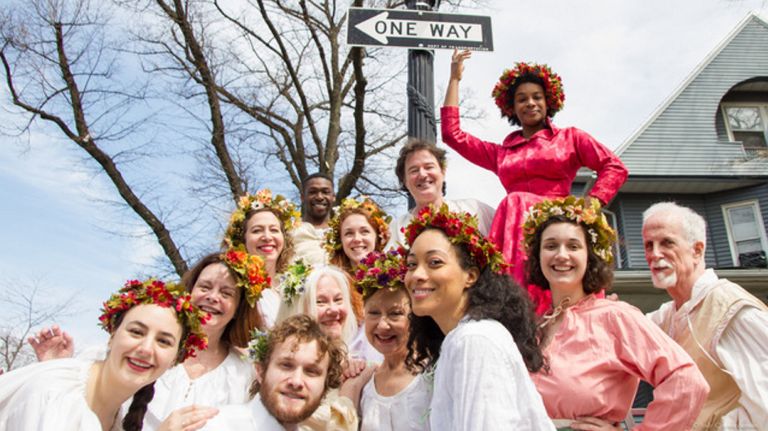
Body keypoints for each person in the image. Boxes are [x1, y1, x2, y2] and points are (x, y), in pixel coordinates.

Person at [441, 50, 628, 313]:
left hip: (557, 227)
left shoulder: (571, 138)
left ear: (548, 101)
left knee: (518, 203)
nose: (530, 103)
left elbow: (614, 166)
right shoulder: (501, 153)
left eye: (536, 97)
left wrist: (592, 203)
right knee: (514, 201)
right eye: (522, 99)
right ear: (512, 107)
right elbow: (453, 135)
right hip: (514, 231)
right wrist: (454, 79)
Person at [523, 197, 709, 430]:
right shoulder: (534, 327)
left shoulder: (615, 317)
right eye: (550, 246)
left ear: (589, 256)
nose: (561, 255)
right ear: (538, 256)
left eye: (573, 246)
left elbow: (686, 381)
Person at [29, 252, 270, 430]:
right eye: (204, 287)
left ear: (239, 308)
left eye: (226, 293)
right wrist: (54, 367)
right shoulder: (138, 352)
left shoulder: (245, 373)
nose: (212, 297)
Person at [403, 204, 554, 430]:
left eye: (434, 262)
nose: (417, 275)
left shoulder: (475, 340)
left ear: (470, 276)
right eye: (411, 264)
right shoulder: (459, 340)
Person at [0, 279, 211, 431]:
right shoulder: (55, 394)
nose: (146, 349)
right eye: (136, 332)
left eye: (163, 341)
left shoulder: (117, 418)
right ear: (112, 335)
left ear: (176, 358)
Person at [642, 202, 768, 430]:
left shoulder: (732, 309)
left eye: (666, 242)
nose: (654, 254)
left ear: (697, 250)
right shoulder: (666, 316)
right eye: (649, 245)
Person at [201, 315, 347, 431]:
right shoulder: (216, 426)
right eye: (286, 366)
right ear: (260, 371)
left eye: (311, 372)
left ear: (325, 386)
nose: (296, 381)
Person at [353, 249, 430, 431]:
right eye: (374, 313)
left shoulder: (431, 375)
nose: (382, 326)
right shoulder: (365, 381)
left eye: (395, 314)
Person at [389, 138, 495, 246]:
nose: (422, 174)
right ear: (404, 181)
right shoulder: (394, 231)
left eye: (429, 167)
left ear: (443, 172)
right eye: (414, 170)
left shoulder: (476, 210)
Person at [223, 189, 301, 327]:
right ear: (243, 240)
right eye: (257, 230)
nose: (267, 237)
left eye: (274, 230)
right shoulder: (234, 285)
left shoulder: (296, 285)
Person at [325, 196, 392, 321]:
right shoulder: (331, 281)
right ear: (341, 241)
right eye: (349, 233)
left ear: (378, 236)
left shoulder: (393, 278)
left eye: (364, 231)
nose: (357, 239)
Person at [293, 173, 336, 266]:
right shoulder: (290, 233)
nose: (319, 197)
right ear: (302, 197)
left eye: (325, 192)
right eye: (312, 192)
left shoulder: (343, 233)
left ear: (333, 197)